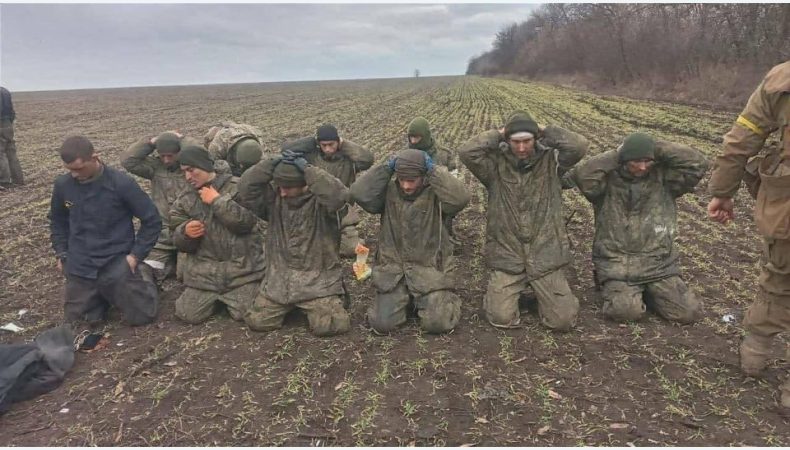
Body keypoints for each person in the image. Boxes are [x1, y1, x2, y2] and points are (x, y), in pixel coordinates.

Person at [707, 61, 790, 409]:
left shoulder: (781, 78)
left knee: (777, 273)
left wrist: (722, 191)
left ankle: (754, 351)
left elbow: (741, 140)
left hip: (785, 205)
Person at [458, 110, 588, 331]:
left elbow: (579, 146)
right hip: (509, 256)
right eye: (515, 141)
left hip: (545, 255)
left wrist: (545, 129)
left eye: (526, 141)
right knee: (500, 317)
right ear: (507, 141)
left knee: (563, 321)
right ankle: (516, 293)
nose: (521, 148)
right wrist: (499, 132)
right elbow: (466, 152)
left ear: (536, 138)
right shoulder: (494, 168)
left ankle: (545, 294)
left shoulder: (552, 163)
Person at [567, 132, 708, 323]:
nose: (642, 167)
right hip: (617, 265)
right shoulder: (606, 182)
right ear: (624, 160)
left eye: (647, 161)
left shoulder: (666, 179)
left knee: (689, 313)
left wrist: (653, 146)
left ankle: (650, 293)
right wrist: (620, 152)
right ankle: (619, 289)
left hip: (658, 263)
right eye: (635, 161)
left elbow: (698, 163)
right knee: (625, 313)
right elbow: (583, 175)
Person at [351, 148, 470, 333]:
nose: (406, 186)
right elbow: (359, 192)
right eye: (401, 179)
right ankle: (405, 301)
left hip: (429, 272)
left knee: (438, 323)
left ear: (423, 177)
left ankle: (446, 298)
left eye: (412, 180)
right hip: (394, 273)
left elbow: (461, 198)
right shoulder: (387, 194)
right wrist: (387, 168)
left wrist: (433, 170)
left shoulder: (436, 196)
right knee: (382, 325)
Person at [49, 135, 160, 327]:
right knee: (78, 323)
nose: (74, 175)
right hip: (81, 263)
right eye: (70, 170)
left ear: (95, 157)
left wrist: (135, 256)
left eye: (79, 168)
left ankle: (143, 275)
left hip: (115, 259)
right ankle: (100, 296)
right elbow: (58, 221)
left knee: (143, 316)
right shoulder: (63, 186)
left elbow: (152, 220)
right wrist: (61, 252)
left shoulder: (121, 184)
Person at [238, 150, 351, 336]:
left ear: (304, 184)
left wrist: (308, 170)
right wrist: (270, 163)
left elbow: (339, 195)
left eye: (287, 187)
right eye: (279, 186)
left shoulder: (323, 205)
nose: (281, 192)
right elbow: (245, 187)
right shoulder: (272, 202)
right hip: (280, 284)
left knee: (331, 325)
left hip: (317, 285)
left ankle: (330, 300)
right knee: (257, 321)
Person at [169, 144, 265, 324]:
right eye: (184, 172)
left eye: (191, 170)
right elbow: (175, 237)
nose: (188, 177)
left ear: (205, 166)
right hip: (204, 276)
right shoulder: (185, 199)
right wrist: (185, 233)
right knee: (187, 314)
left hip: (242, 273)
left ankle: (240, 295)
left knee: (249, 314)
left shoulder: (238, 188)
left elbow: (246, 223)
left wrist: (217, 201)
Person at [283, 124, 374, 257]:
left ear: (338, 141)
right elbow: (286, 149)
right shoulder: (312, 157)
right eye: (323, 145)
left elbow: (368, 159)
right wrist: (311, 141)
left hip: (342, 212)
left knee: (350, 249)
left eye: (331, 144)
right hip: (316, 210)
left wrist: (344, 144)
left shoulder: (348, 159)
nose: (328, 149)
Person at [120, 131, 190, 282]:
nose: (165, 160)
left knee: (186, 275)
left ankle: (176, 265)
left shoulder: (192, 168)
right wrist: (151, 142)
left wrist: (183, 139)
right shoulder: (155, 168)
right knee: (146, 271)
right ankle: (168, 266)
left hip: (188, 234)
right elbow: (128, 161)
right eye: (162, 155)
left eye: (170, 156)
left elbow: (208, 158)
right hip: (163, 235)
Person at [406, 117, 461, 245]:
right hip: (416, 198)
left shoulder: (444, 155)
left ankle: (446, 233)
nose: (413, 141)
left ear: (425, 136)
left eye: (417, 137)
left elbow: (454, 184)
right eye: (411, 137)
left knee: (450, 200)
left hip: (439, 197)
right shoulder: (406, 155)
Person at [0, 86, 23, 189]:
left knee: (1, 153)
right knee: (11, 151)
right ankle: (18, 179)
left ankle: (4, 181)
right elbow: (11, 110)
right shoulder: (5, 91)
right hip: (8, 123)